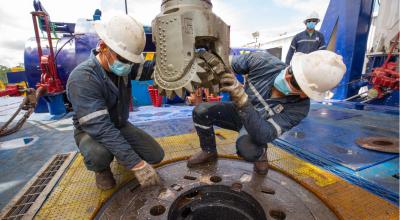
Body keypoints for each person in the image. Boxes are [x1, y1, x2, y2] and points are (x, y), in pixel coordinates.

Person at [187, 50, 346, 175]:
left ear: (305, 93)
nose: (287, 76)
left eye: (295, 81)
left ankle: (261, 153)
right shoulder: (262, 62)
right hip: (237, 113)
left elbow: (265, 134)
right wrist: (209, 65)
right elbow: (225, 63)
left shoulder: (299, 109)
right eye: (291, 70)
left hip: (256, 126)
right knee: (201, 111)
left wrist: (242, 100)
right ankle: (208, 151)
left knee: (248, 149)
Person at [66, 14, 164, 190]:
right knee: (98, 155)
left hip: (119, 124)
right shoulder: (82, 79)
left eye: (130, 61)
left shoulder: (122, 67)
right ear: (103, 47)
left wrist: (175, 65)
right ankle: (102, 170)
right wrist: (137, 165)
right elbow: (101, 129)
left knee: (155, 155)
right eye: (124, 59)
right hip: (92, 131)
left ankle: (121, 154)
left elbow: (149, 69)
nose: (127, 65)